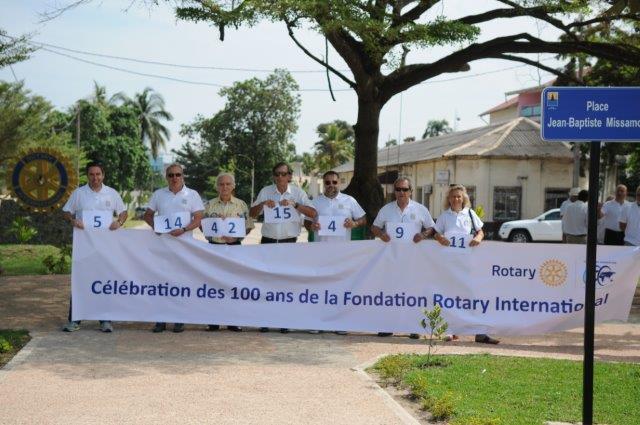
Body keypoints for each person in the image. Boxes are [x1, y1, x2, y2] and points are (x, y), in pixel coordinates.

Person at [249, 161, 317, 333]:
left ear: (289, 176)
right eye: (277, 174)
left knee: (286, 282)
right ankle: (265, 319)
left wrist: (295, 205)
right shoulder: (266, 191)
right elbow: (252, 213)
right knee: (267, 281)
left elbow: (313, 213)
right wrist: (263, 204)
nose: (280, 177)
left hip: (289, 242)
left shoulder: (297, 192)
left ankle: (284, 320)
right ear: (274, 176)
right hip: (268, 241)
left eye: (283, 174)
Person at [61, 162, 128, 333]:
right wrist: (73, 220)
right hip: (84, 247)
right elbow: (66, 211)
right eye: (92, 174)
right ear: (87, 176)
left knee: (105, 282)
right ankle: (74, 319)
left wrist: (119, 222)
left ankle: (105, 320)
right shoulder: (79, 193)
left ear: (103, 175)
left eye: (98, 174)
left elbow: (123, 212)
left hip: (106, 247)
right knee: (80, 281)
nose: (95, 177)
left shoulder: (111, 193)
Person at [432, 184, 498, 344]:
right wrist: (440, 238)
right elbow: (435, 232)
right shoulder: (444, 216)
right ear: (449, 199)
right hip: (450, 265)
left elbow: (480, 231)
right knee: (450, 297)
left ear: (464, 199)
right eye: (453, 196)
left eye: (459, 196)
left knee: (473, 297)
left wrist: (478, 238)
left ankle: (480, 333)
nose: (456, 199)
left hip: (469, 264)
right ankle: (449, 331)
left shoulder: (470, 213)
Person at [144, 163, 204, 333]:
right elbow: (147, 215)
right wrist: (155, 226)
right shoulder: (158, 194)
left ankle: (179, 318)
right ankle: (160, 320)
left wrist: (184, 229)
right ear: (166, 177)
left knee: (181, 282)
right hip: (163, 246)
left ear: (183, 176)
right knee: (161, 282)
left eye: (178, 175)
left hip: (185, 246)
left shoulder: (192, 194)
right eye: (171, 175)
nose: (174, 178)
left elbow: (199, 218)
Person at [371, 177, 435, 338]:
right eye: (398, 189)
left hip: (414, 260)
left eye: (404, 189)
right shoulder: (386, 209)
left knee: (413, 293)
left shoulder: (421, 209)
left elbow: (432, 228)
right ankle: (388, 325)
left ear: (411, 191)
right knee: (390, 292)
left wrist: (423, 234)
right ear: (394, 191)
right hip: (391, 259)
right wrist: (381, 234)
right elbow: (374, 227)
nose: (401, 192)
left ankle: (414, 327)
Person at [304, 170, 366, 334]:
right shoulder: (316, 202)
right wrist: (312, 226)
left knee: (341, 286)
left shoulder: (349, 200)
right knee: (320, 286)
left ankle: (339, 323)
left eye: (334, 182)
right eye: (327, 182)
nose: (331, 185)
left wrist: (354, 223)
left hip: (342, 252)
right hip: (321, 252)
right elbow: (307, 222)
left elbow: (363, 219)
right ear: (323, 184)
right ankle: (317, 322)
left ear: (339, 183)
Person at [204, 172, 254, 332]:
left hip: (234, 249)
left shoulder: (241, 205)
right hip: (214, 248)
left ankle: (233, 320)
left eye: (227, 184)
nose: (224, 187)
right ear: (216, 186)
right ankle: (213, 321)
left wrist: (236, 238)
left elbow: (248, 226)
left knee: (234, 284)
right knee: (214, 284)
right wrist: (212, 229)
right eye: (221, 184)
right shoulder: (209, 205)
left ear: (233, 186)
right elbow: (202, 225)